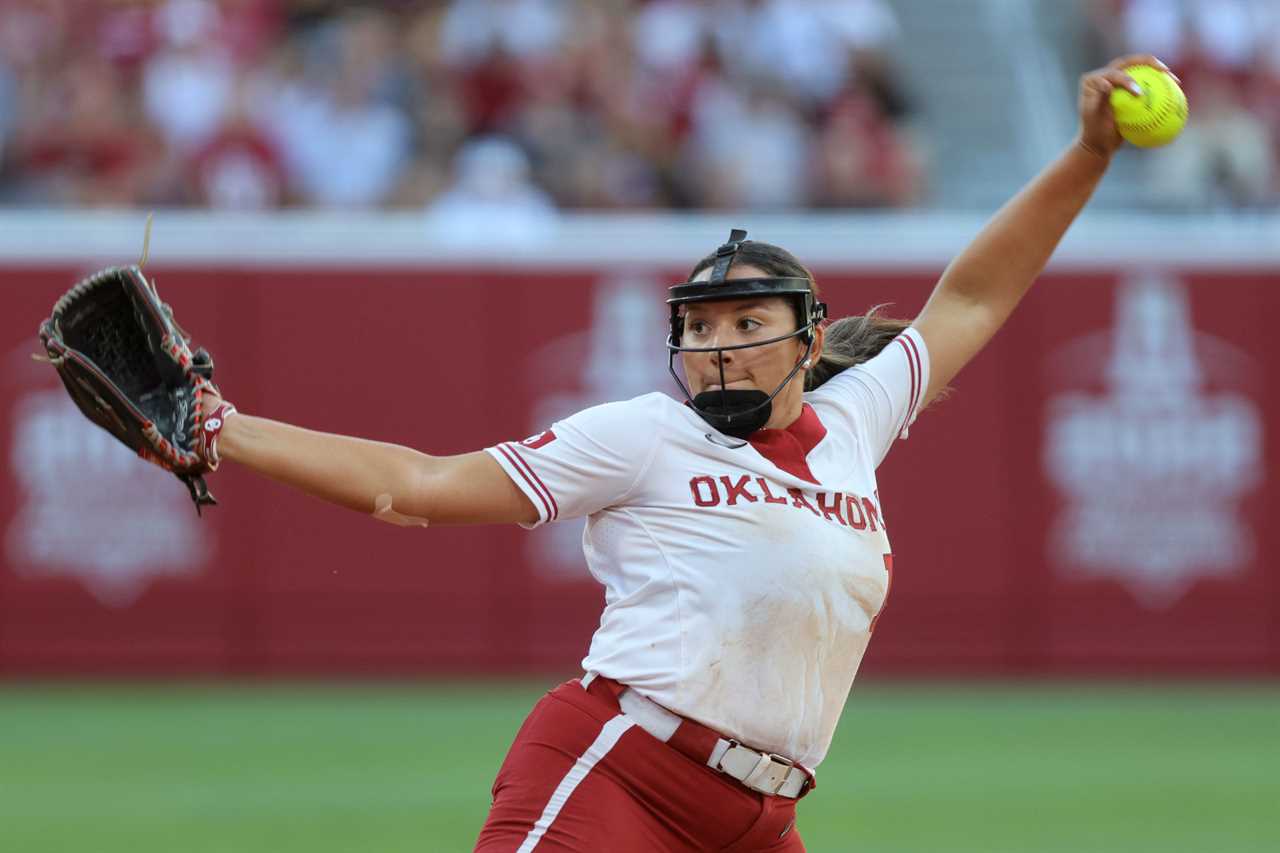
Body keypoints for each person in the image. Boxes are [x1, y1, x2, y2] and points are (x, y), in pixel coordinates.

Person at [194, 55, 1161, 853]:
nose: (721, 343)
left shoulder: (856, 420)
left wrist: (1086, 154)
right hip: (619, 770)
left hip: (761, 820)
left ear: (811, 339)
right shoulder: (643, 435)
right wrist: (221, 427)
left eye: (750, 319)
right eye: (701, 326)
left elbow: (976, 297)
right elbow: (421, 485)